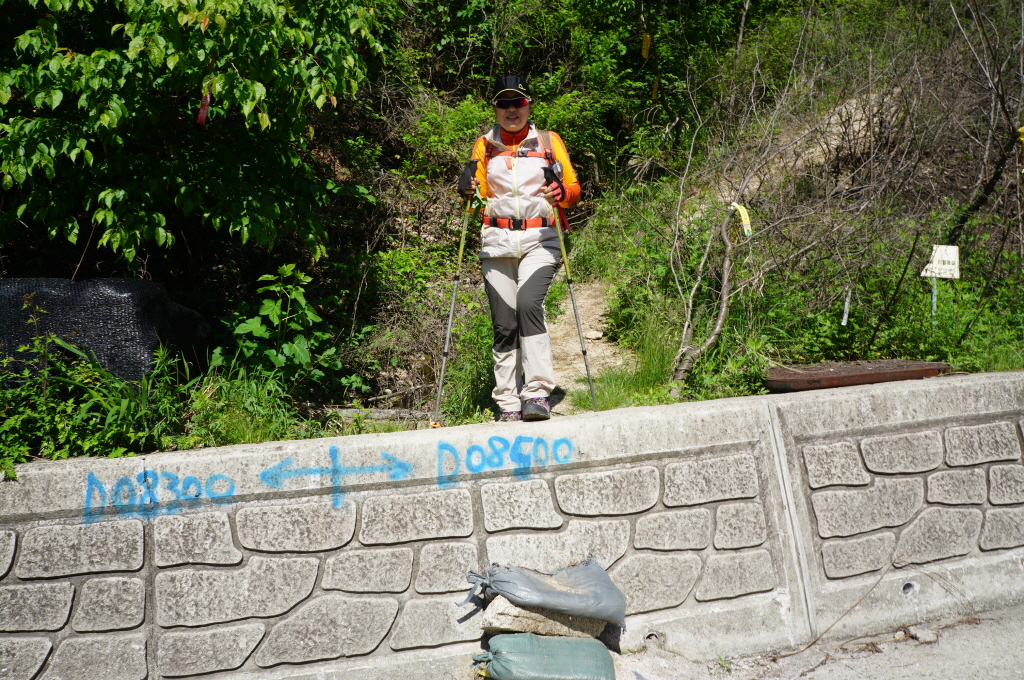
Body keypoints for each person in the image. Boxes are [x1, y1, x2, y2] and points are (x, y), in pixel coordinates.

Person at [458, 76, 581, 422]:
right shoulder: (485, 145)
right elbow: (475, 198)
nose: (511, 110)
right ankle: (508, 402)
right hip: (497, 243)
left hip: (541, 239)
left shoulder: (548, 141)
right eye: (504, 103)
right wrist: (467, 190)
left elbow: (573, 189)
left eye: (518, 102)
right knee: (503, 321)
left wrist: (561, 194)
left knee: (528, 304)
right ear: (495, 108)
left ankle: (537, 393)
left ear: (528, 105)